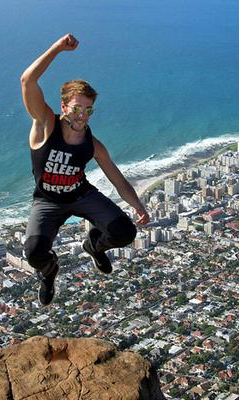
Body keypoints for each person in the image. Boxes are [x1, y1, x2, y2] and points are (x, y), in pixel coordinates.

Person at [20, 33, 150, 306]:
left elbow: (117, 179)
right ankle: (49, 270)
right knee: (33, 252)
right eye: (77, 108)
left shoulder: (93, 145)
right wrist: (57, 48)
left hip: (81, 195)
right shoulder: (45, 125)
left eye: (88, 110)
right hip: (47, 200)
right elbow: (27, 81)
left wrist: (138, 206)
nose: (82, 115)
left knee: (125, 232)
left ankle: (94, 245)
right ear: (64, 106)